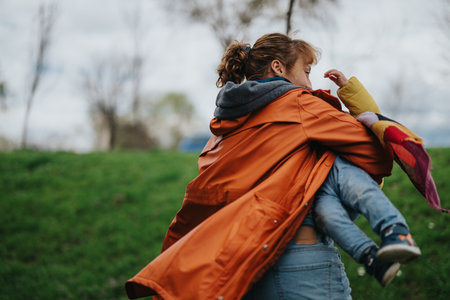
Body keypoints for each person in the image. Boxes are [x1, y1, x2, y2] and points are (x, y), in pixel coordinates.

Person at [125, 33, 400, 300]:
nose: (309, 82)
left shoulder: (222, 132)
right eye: (305, 71)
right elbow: (379, 151)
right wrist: (353, 96)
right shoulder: (300, 105)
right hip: (303, 264)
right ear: (278, 68)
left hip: (246, 270)